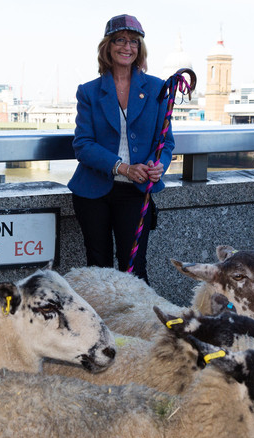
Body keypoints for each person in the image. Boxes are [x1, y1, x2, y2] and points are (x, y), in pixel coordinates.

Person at [68, 13, 174, 284]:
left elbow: (165, 142)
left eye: (134, 42)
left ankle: (139, 325)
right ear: (108, 46)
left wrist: (157, 165)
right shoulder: (89, 91)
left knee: (135, 270)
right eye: (120, 40)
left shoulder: (158, 88)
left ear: (140, 49)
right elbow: (83, 144)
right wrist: (122, 167)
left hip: (135, 192)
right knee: (98, 270)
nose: (127, 47)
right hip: (93, 192)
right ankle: (103, 324)